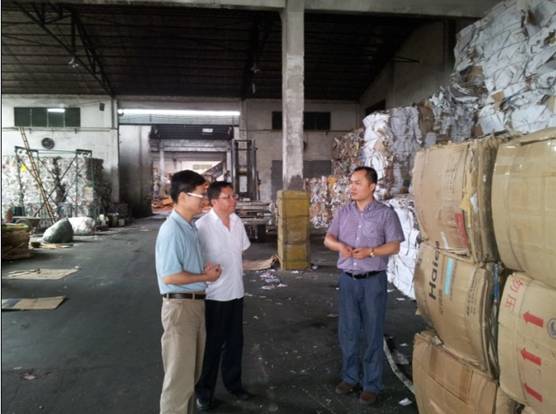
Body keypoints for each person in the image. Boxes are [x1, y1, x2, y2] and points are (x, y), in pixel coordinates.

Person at [324, 166, 404, 405]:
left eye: (358, 183)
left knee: (372, 332)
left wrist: (371, 251)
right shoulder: (344, 212)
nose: (352, 187)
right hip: (348, 280)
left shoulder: (385, 214)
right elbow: (328, 239)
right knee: (348, 332)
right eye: (351, 182)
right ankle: (350, 377)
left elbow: (394, 246)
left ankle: (371, 384)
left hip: (373, 282)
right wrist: (340, 246)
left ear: (372, 186)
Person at [156, 170, 222, 414]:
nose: (205, 200)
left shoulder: (188, 227)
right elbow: (170, 276)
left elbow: (182, 268)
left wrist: (202, 270)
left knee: (190, 375)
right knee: (179, 381)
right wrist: (206, 277)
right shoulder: (172, 230)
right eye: (201, 195)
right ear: (183, 197)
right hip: (180, 309)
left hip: (192, 305)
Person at [194, 181, 252, 410]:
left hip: (236, 292)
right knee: (211, 347)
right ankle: (204, 393)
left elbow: (240, 252)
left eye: (233, 196)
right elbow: (194, 260)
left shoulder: (237, 222)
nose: (233, 200)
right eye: (227, 197)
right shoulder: (202, 226)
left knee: (235, 344)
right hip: (214, 296)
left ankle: (234, 385)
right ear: (214, 201)